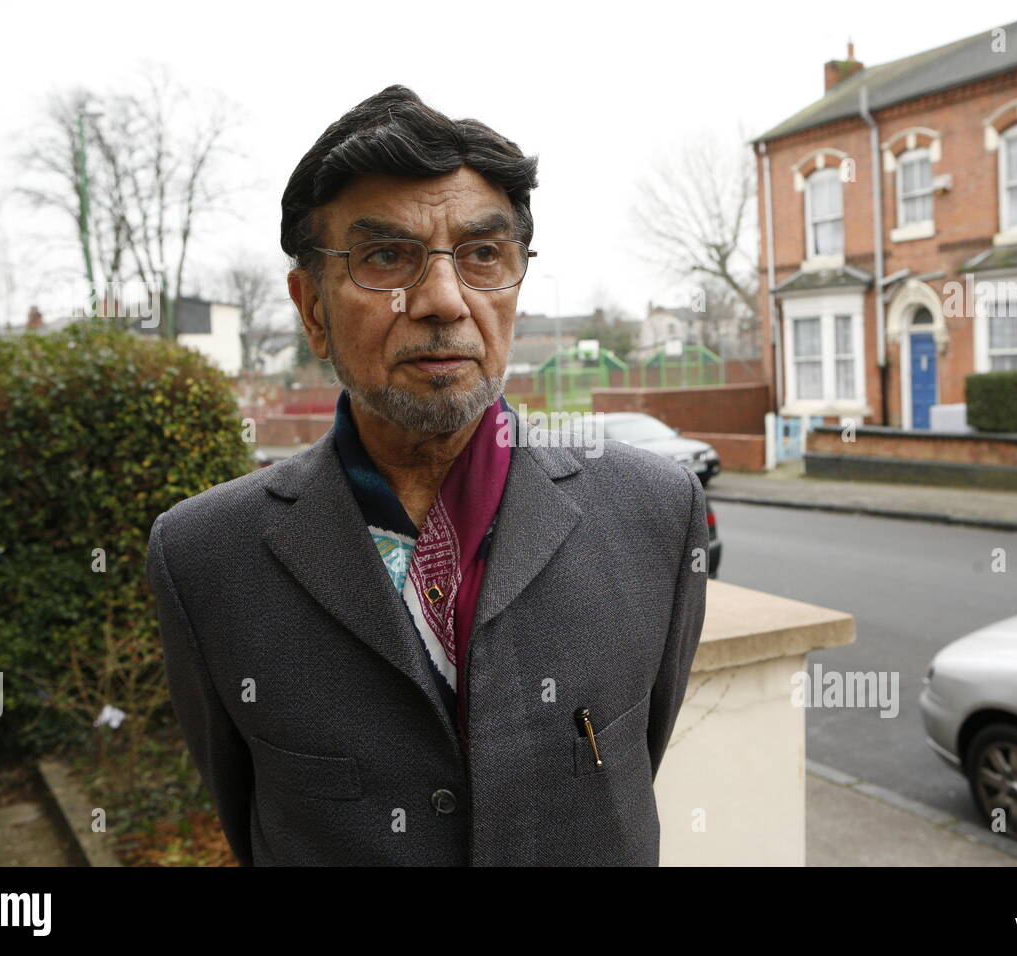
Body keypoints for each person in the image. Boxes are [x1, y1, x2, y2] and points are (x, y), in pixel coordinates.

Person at [146, 84, 708, 865]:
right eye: (385, 258)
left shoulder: (653, 513)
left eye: (483, 254)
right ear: (311, 308)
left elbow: (642, 746)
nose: (444, 300)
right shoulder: (205, 556)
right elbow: (246, 815)